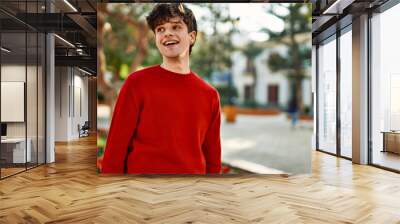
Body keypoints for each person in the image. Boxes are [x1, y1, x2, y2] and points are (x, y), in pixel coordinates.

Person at [101, 3, 222, 174]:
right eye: (160, 29)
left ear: (192, 37)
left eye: (176, 27)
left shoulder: (210, 95)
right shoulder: (136, 83)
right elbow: (115, 149)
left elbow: (213, 158)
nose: (167, 33)